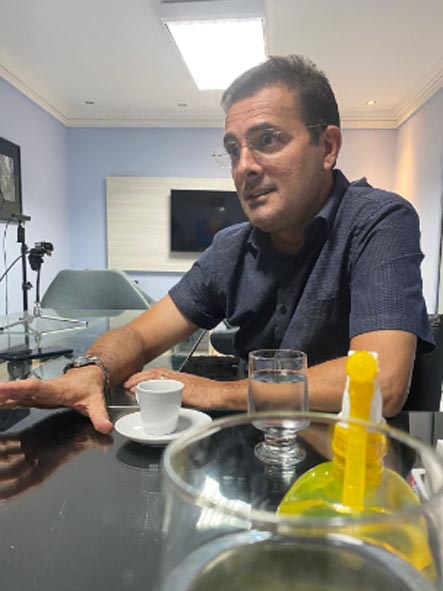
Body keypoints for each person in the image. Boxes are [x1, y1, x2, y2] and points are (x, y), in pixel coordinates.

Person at [0, 55, 434, 433]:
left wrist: (221, 392)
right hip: (253, 454)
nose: (243, 166)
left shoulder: (378, 221)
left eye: (267, 140)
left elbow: (383, 382)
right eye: (232, 149)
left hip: (351, 466)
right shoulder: (230, 247)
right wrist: (92, 370)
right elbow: (138, 335)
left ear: (327, 146)